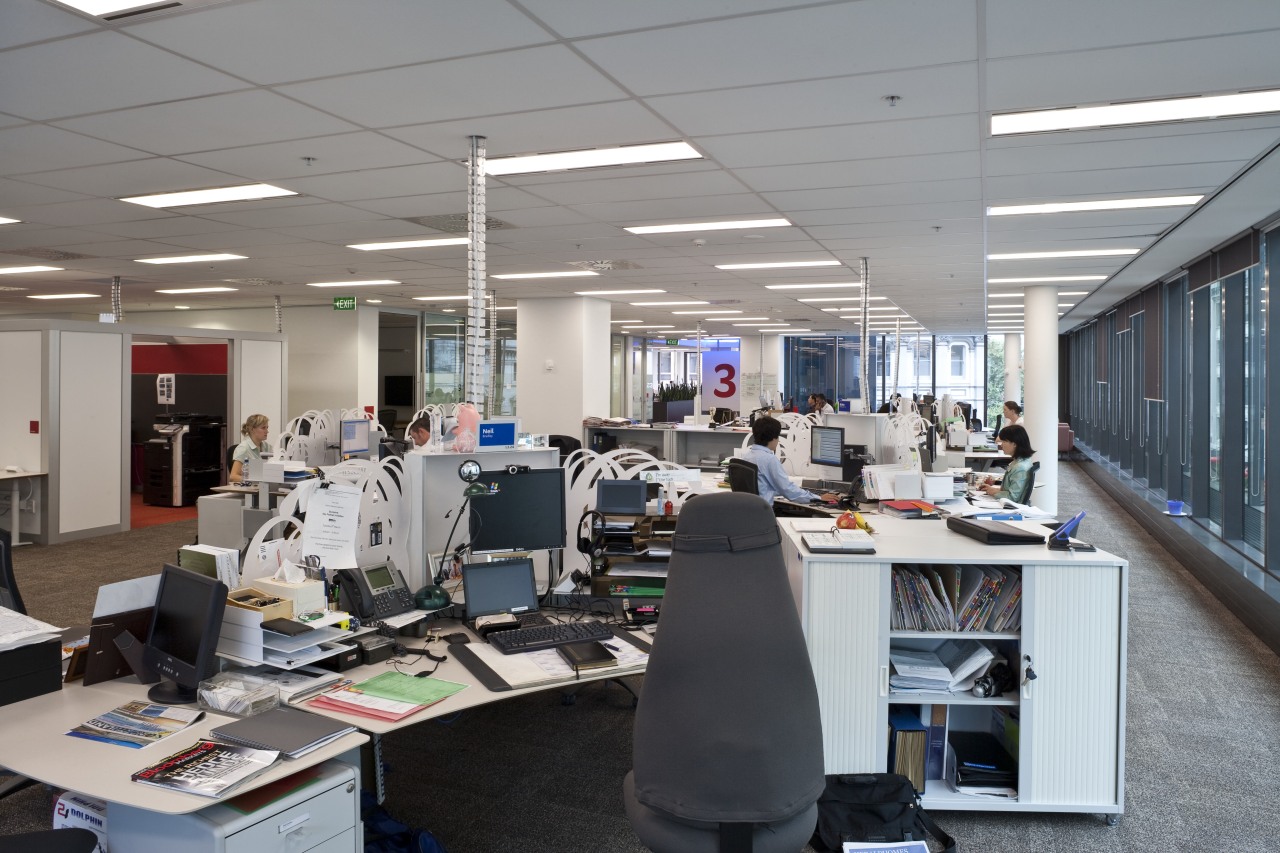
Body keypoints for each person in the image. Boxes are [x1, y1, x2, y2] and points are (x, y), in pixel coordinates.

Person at [741, 416, 840, 505]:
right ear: (773, 438)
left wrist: (797, 490)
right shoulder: (770, 460)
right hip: (764, 512)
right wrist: (818, 497)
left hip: (752, 511)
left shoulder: (747, 456)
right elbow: (788, 490)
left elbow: (764, 488)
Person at [982, 424, 1035, 502]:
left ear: (1014, 444)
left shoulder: (1020, 467)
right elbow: (1011, 490)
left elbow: (1012, 497)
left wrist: (993, 493)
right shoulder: (1023, 460)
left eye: (1004, 441)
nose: (1001, 445)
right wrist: (993, 490)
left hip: (1011, 507)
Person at [229, 414, 270, 484]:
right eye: (263, 428)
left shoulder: (267, 446)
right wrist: (253, 480)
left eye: (267, 428)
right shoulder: (243, 448)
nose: (267, 431)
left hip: (263, 487)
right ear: (252, 429)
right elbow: (233, 477)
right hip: (249, 488)